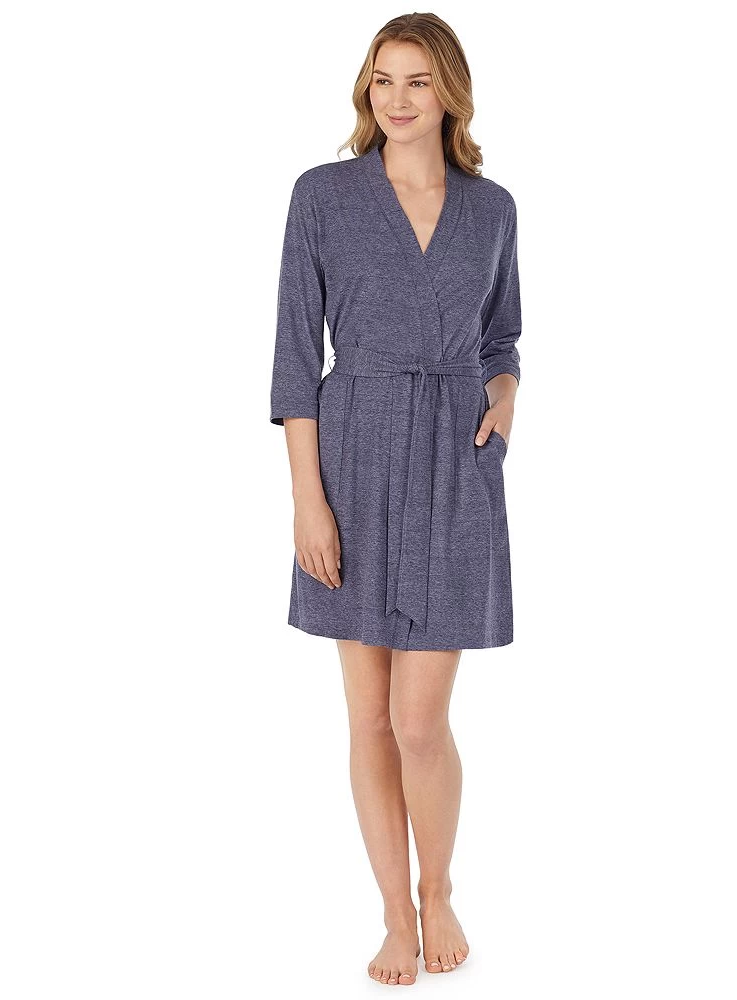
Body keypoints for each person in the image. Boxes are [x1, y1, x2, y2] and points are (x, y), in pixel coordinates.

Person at [268, 13, 522, 986]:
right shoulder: (323, 196)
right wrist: (309, 501)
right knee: (369, 717)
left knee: (420, 720)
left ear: (449, 91)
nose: (399, 99)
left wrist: (504, 396)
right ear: (365, 90)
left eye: (418, 81)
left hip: (455, 462)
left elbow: (503, 338)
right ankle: (392, 914)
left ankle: (438, 888)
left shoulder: (491, 209)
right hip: (354, 456)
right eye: (384, 80)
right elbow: (295, 358)